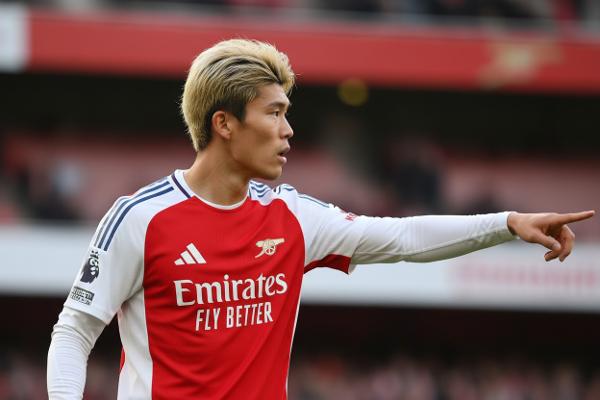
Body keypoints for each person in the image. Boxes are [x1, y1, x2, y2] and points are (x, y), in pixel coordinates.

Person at [46, 39, 595, 399]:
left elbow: (403, 236)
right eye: (274, 113)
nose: (288, 131)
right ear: (224, 124)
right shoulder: (141, 219)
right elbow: (75, 330)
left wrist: (506, 223)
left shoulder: (293, 217)